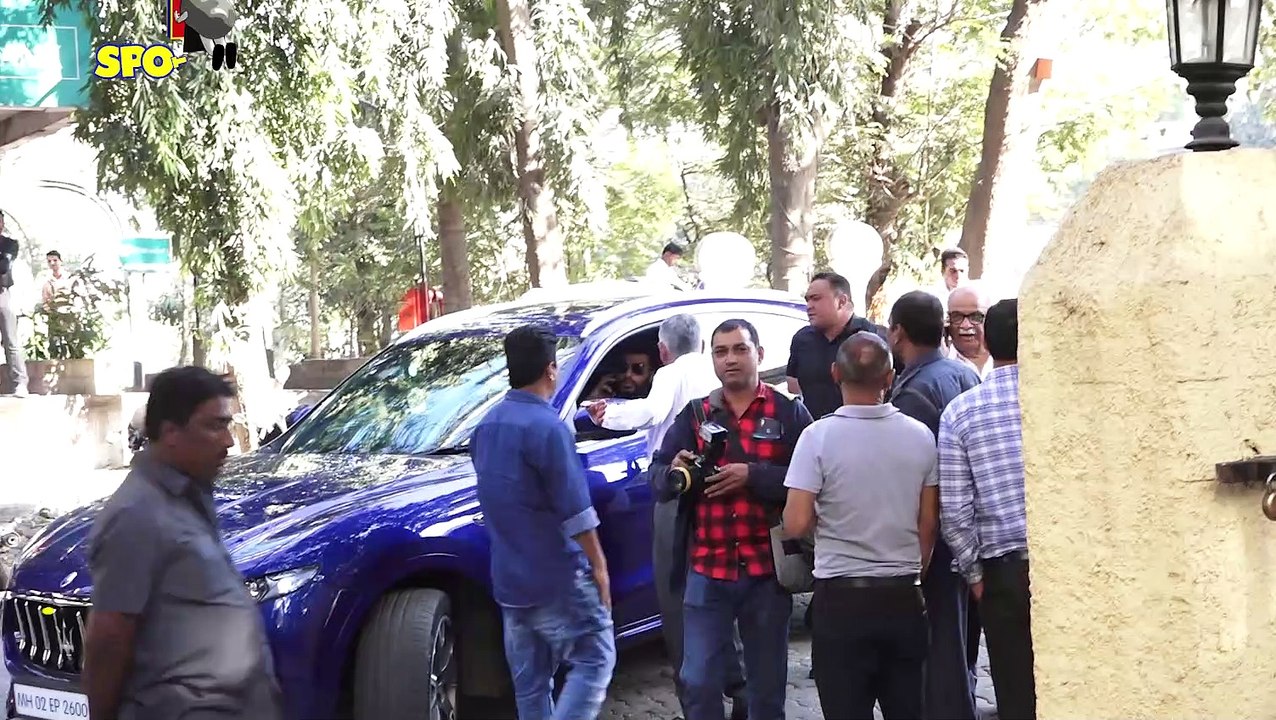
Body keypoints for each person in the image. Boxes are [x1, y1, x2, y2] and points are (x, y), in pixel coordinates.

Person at [85, 366, 284, 720]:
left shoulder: (189, 495)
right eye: (215, 425)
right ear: (170, 432)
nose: (228, 440)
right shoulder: (137, 515)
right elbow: (109, 637)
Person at [651, 318, 814, 720]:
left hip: (766, 572)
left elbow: (814, 480)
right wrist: (674, 471)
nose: (730, 360)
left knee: (766, 687)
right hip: (708, 569)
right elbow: (655, 477)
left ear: (759, 354)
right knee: (697, 679)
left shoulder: (789, 413)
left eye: (740, 349)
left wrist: (753, 475)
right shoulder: (694, 416)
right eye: (721, 352)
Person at [587, 313, 747, 719]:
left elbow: (651, 413)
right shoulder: (717, 376)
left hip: (678, 494)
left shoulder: (671, 373)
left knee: (676, 597)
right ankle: (741, 686)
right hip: (722, 493)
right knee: (724, 590)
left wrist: (605, 414)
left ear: (663, 349)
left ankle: (694, 696)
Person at [783, 331, 939, 719]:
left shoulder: (816, 438)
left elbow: (796, 522)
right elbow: (929, 522)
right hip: (903, 597)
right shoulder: (920, 437)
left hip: (841, 601)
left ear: (835, 373)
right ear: (889, 378)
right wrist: (912, 567)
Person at [471, 325, 615, 720]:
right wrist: (599, 567)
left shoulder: (486, 426)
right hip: (556, 578)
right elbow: (575, 509)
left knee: (531, 687)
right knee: (595, 660)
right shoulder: (548, 427)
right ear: (551, 370)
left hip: (510, 582)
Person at [885, 290, 983, 720]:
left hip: (936, 537)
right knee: (959, 643)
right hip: (970, 530)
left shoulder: (914, 393)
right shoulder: (961, 374)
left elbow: (915, 478)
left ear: (898, 332)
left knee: (939, 649)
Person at [939, 299, 1035, 720]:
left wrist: (975, 575)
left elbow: (955, 512)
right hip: (1069, 565)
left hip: (1004, 573)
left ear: (987, 343)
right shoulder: (1064, 404)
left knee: (1015, 692)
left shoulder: (961, 411)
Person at [787, 271, 890, 421]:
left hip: (865, 431)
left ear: (841, 301)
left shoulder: (872, 338)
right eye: (808, 300)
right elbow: (793, 385)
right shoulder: (802, 339)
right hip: (815, 434)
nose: (809, 306)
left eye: (816, 299)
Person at [0, 212, 27, 397]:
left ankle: (20, 383)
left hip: (2, 293)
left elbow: (3, 266)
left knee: (11, 340)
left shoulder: (9, 244)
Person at [946, 284, 993, 379]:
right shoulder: (942, 365)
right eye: (957, 317)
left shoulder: (1007, 359)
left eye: (975, 317)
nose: (966, 325)